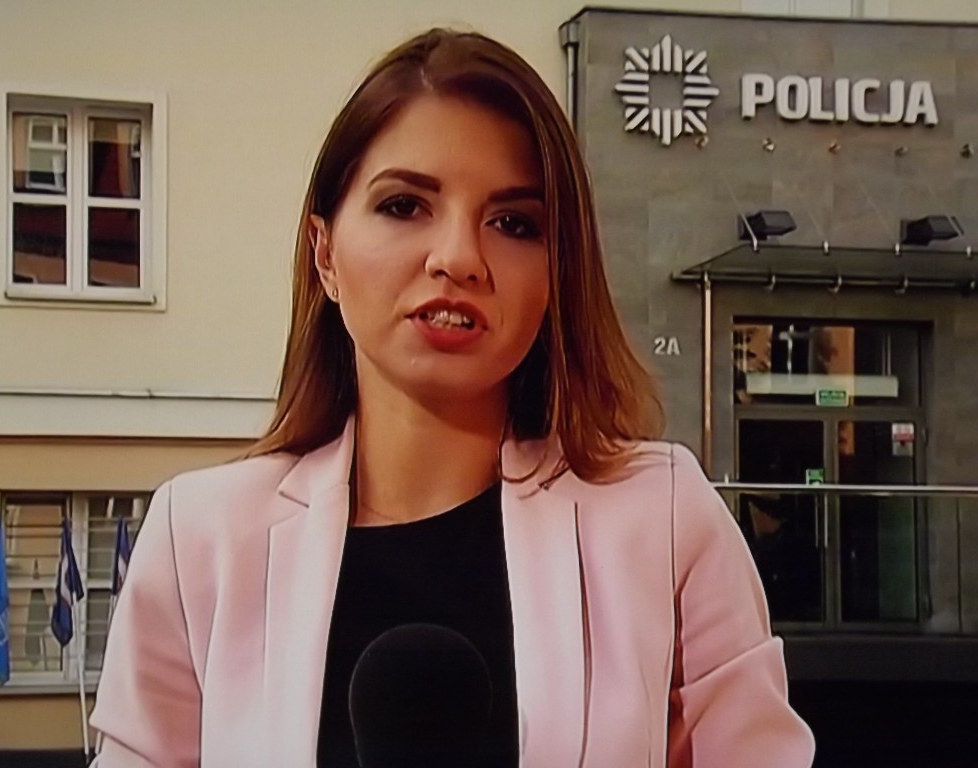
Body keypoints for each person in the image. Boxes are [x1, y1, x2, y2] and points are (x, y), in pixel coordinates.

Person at [89, 28, 815, 767]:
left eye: (513, 223)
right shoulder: (199, 540)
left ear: (557, 272)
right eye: (405, 206)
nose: (460, 258)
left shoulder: (665, 521)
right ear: (325, 253)